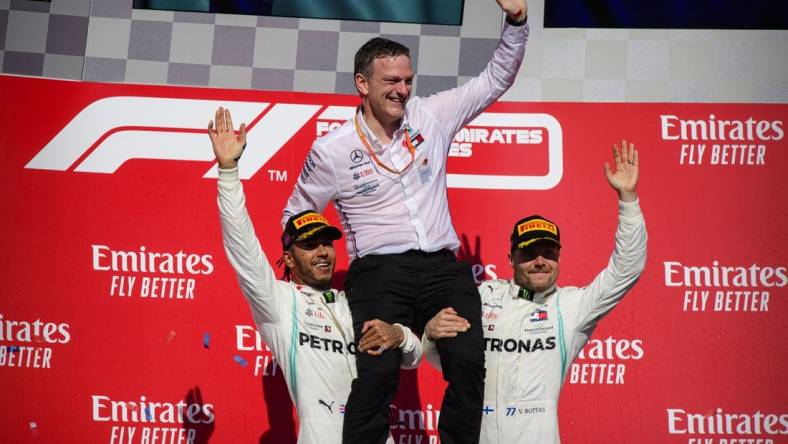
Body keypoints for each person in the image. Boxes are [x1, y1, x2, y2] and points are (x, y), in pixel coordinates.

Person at [282, 1, 530, 442]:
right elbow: (297, 216)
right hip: (379, 273)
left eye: (408, 81)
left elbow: (495, 79)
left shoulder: (432, 116)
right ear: (362, 83)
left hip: (441, 270)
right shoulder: (332, 150)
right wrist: (306, 275)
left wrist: (516, 22)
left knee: (469, 361)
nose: (402, 90)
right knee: (377, 373)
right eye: (391, 81)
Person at [209, 107, 436, 444]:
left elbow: (414, 357)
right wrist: (229, 171)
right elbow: (242, 247)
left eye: (326, 244)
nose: (323, 252)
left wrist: (399, 335)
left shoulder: (357, 301)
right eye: (310, 246)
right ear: (288, 256)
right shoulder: (280, 304)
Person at [424, 141, 648, 443]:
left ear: (559, 257)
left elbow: (627, 267)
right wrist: (430, 334)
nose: (540, 261)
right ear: (510, 258)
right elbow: (443, 359)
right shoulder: (483, 296)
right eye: (530, 253)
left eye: (549, 252)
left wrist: (628, 199)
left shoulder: (571, 306)